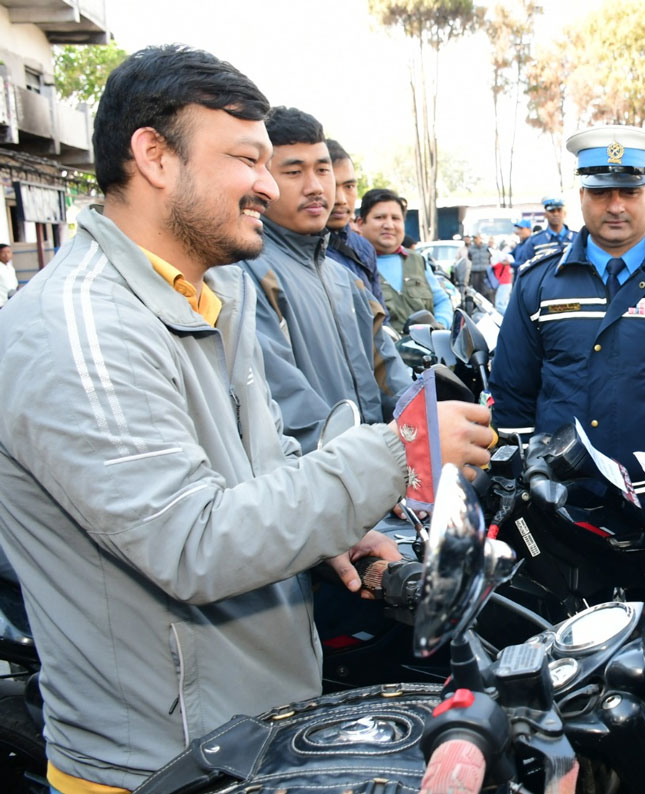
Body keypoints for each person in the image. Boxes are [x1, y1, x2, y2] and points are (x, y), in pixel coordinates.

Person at [0, 45, 495, 793]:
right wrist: (398, 453)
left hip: (253, 738)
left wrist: (330, 531)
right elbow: (193, 541)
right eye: (247, 159)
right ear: (154, 157)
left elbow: (260, 478)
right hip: (159, 768)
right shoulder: (81, 330)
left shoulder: (210, 294)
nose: (269, 185)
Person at [489, 124, 645, 615]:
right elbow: (511, 399)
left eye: (630, 191)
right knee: (565, 646)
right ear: (581, 197)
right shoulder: (539, 284)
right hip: (563, 506)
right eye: (600, 192)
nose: (615, 205)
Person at [241, 108, 412, 453]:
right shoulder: (247, 274)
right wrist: (370, 466)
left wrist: (424, 435)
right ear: (262, 179)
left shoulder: (347, 281)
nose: (315, 187)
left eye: (323, 170)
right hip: (322, 484)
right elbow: (290, 407)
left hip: (374, 480)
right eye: (294, 172)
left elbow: (391, 378)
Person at [360, 188, 453, 333]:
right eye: (379, 217)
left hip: (426, 353)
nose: (389, 225)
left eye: (396, 218)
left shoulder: (417, 260)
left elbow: (441, 301)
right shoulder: (354, 264)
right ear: (361, 223)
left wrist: (439, 325)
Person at [324, 139, 383, 304]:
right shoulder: (298, 250)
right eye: (332, 186)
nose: (341, 199)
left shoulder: (363, 248)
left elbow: (381, 318)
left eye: (349, 186)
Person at [515, 195, 576, 267]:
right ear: (545, 215)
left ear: (564, 214)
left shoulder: (576, 239)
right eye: (551, 211)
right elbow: (525, 268)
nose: (556, 214)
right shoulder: (534, 241)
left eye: (559, 210)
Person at [467, 232, 494, 300]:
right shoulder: (471, 248)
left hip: (484, 270)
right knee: (475, 288)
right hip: (475, 270)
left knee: (485, 288)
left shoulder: (486, 247)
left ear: (480, 238)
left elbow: (491, 257)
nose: (475, 240)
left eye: (476, 238)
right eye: (474, 238)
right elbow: (469, 257)